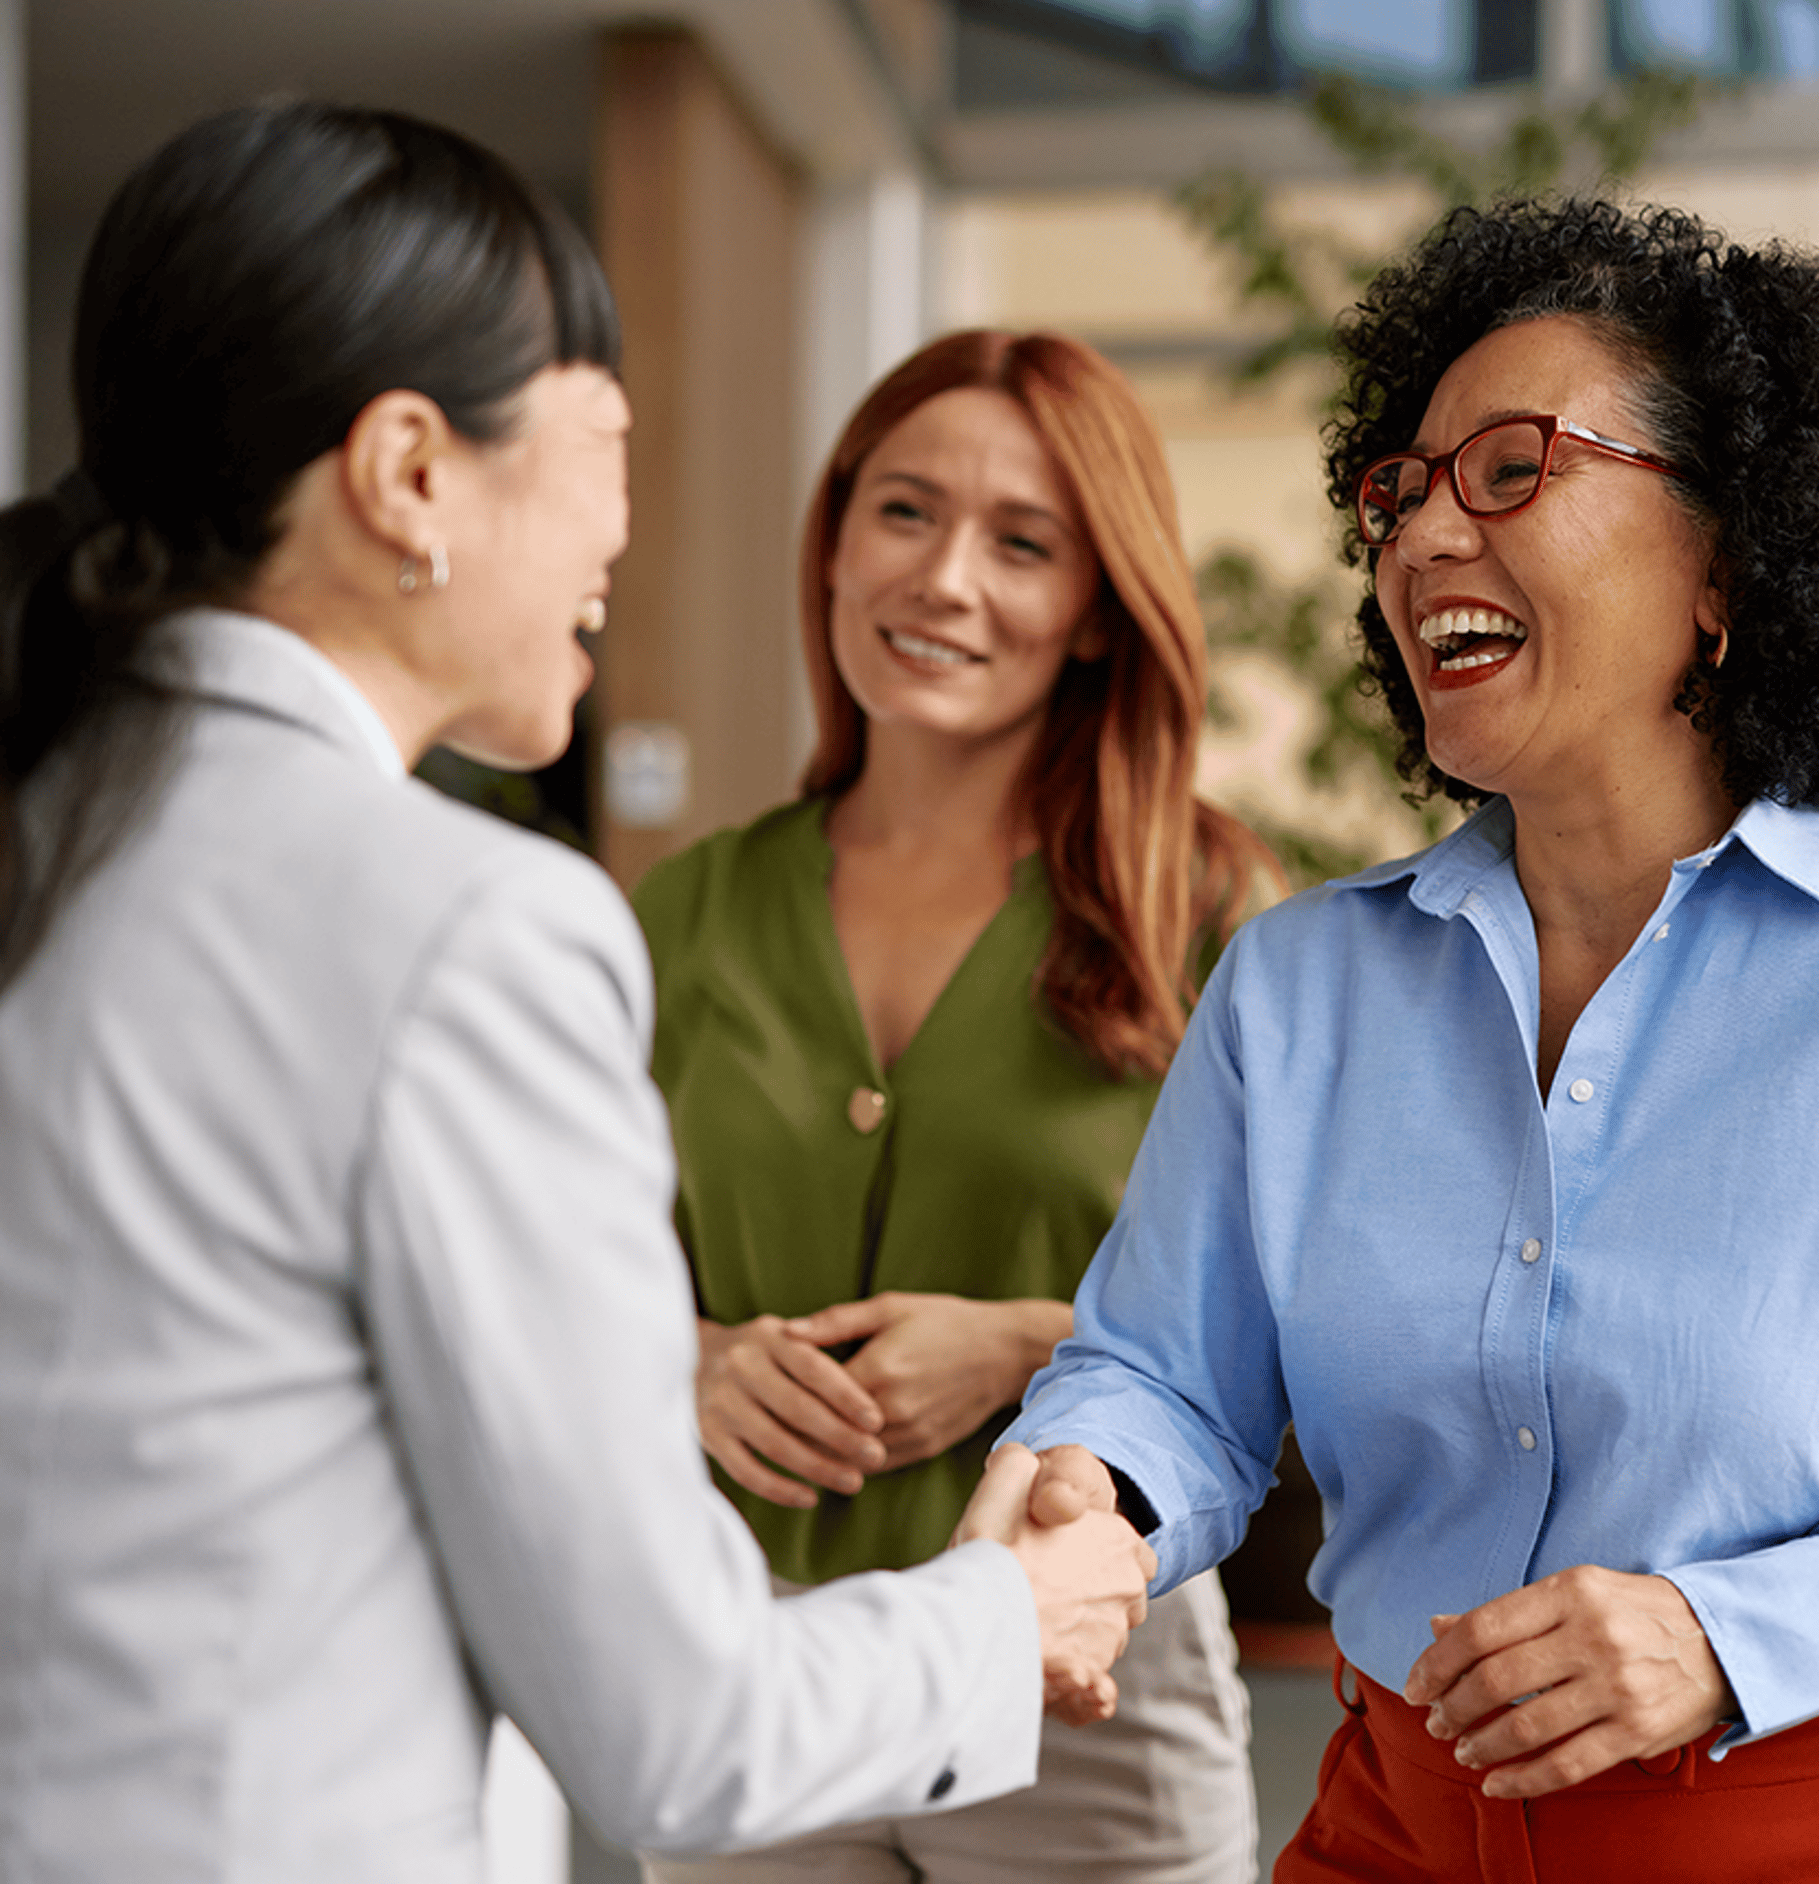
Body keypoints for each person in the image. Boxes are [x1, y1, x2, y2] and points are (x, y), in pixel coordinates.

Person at [999, 194, 1819, 1882]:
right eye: (1402, 492)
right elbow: (1167, 1379)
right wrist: (1096, 1494)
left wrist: (1729, 1632)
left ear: (1727, 562)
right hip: (1394, 1824)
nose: (1425, 537)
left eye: (1511, 469)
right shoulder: (1296, 991)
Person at [0, 102, 1154, 1882]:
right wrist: (1020, 1609)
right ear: (408, 473)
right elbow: (684, 1728)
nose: (624, 521)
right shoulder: (474, 928)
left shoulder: (55, 829)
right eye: (607, 438)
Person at [631, 329, 1267, 1883]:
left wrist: (1022, 1345)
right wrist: (698, 1363)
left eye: (1023, 543)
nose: (945, 580)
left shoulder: (1213, 911)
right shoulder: (689, 909)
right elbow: (557, 1275)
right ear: (836, 538)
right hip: (753, 1661)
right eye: (905, 511)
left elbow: (1313, 1316)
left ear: (1101, 612)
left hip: (1088, 1671)